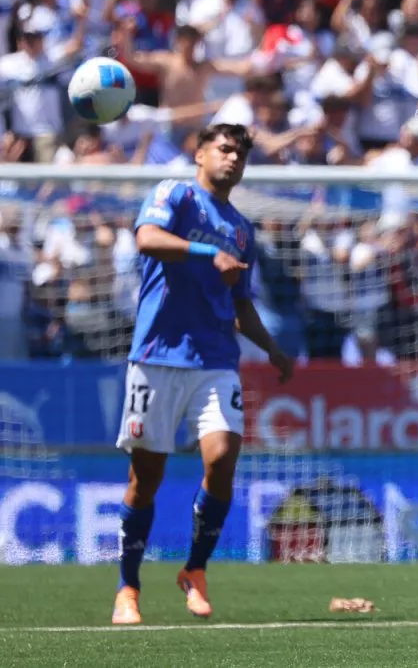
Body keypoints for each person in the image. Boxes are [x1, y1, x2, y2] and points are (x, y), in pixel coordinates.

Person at [111, 124, 294, 625]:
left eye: (241, 153)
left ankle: (195, 570)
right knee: (145, 479)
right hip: (158, 355)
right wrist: (202, 251)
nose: (233, 159)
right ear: (200, 154)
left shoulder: (240, 228)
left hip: (215, 358)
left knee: (222, 458)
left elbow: (240, 304)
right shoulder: (174, 193)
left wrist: (273, 350)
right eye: (225, 149)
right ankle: (128, 588)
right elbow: (146, 238)